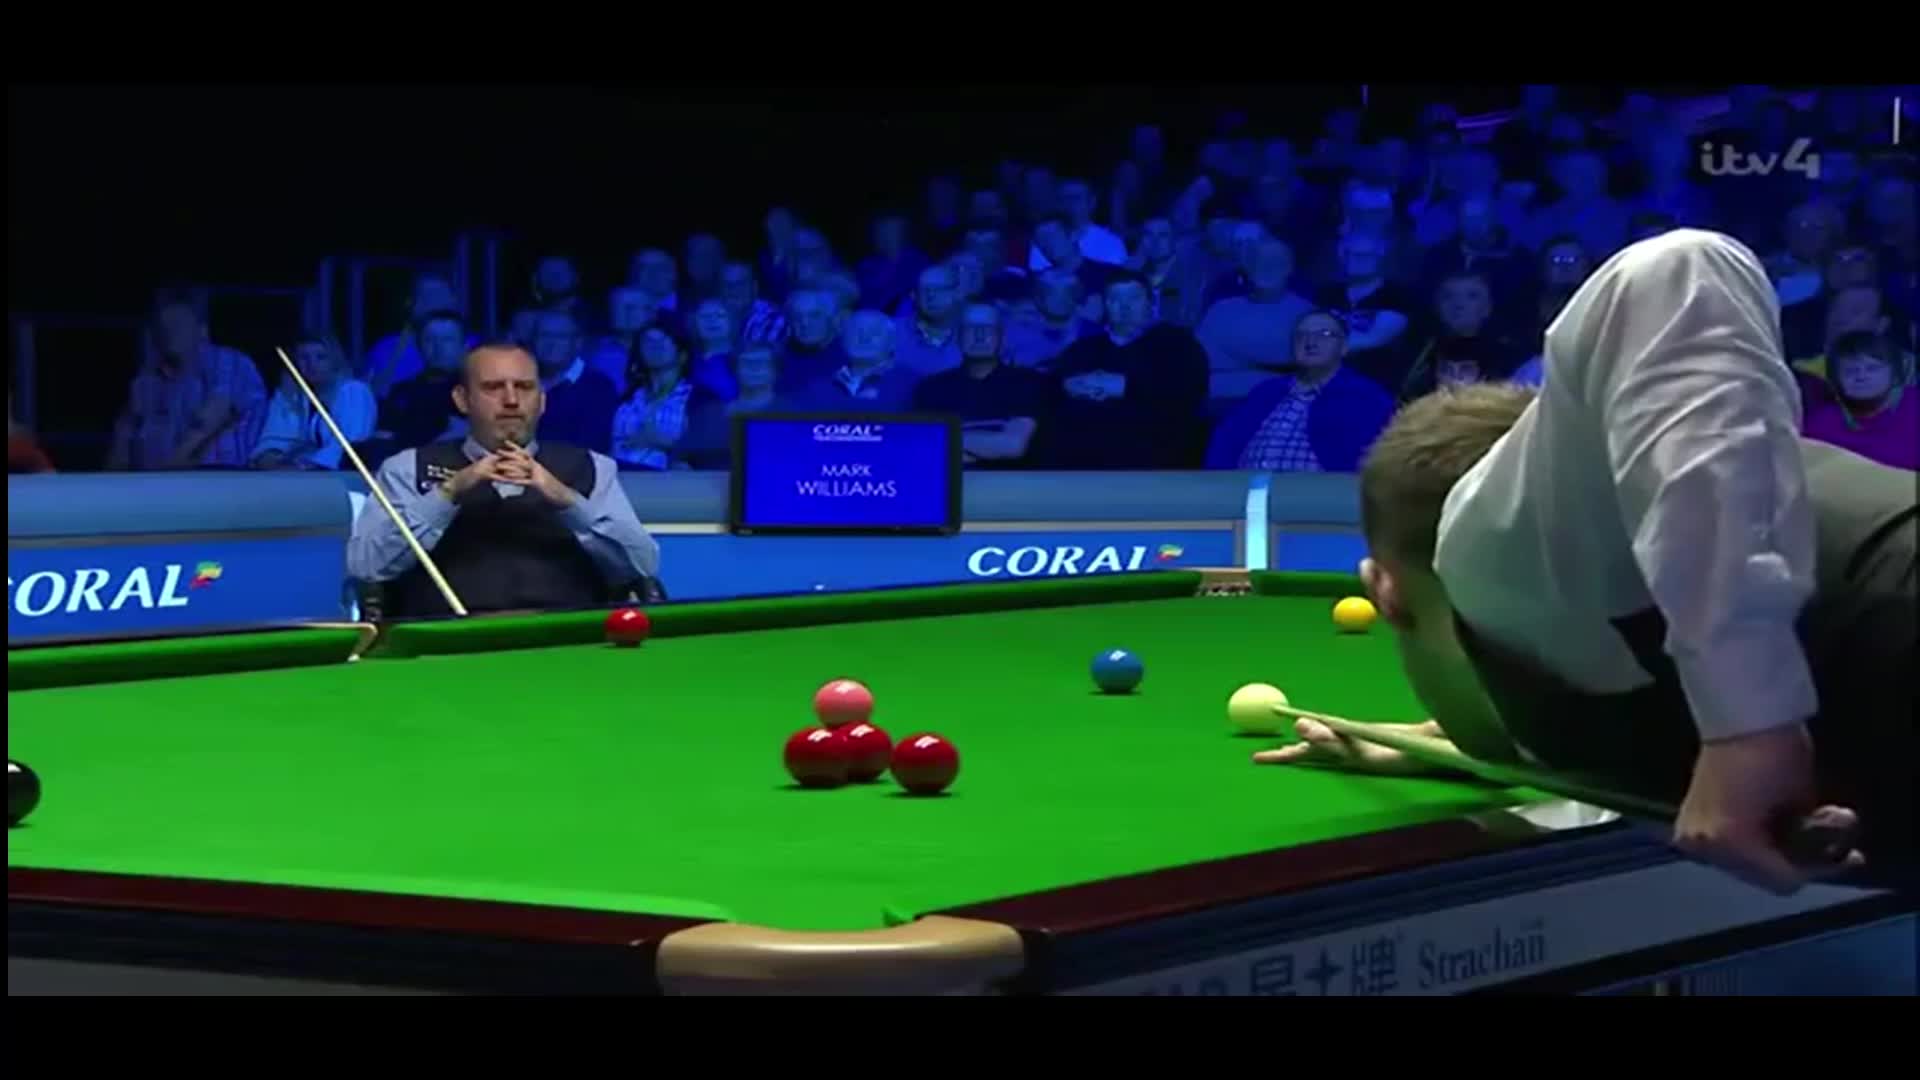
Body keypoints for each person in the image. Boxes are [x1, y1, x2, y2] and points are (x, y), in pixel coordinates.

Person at [1259, 230, 1916, 895]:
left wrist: (1749, 729)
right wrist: (1450, 748)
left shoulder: (1485, 543)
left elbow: (1678, 270)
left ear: (1385, 592)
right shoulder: (1576, 616)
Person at [347, 342, 661, 618]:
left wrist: (567, 499)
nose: (511, 400)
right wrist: (448, 493)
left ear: (542, 400)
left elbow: (643, 566)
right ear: (462, 399)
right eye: (493, 387)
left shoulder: (591, 467)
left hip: (568, 641)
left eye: (524, 387)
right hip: (449, 644)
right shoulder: (408, 468)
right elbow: (366, 566)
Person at [251, 332, 375, 470]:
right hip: (297, 473)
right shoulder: (291, 394)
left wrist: (309, 464)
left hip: (340, 475)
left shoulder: (354, 391)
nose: (311, 364)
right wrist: (269, 456)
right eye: (303, 358)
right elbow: (275, 437)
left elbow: (350, 442)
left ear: (335, 360)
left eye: (321, 357)